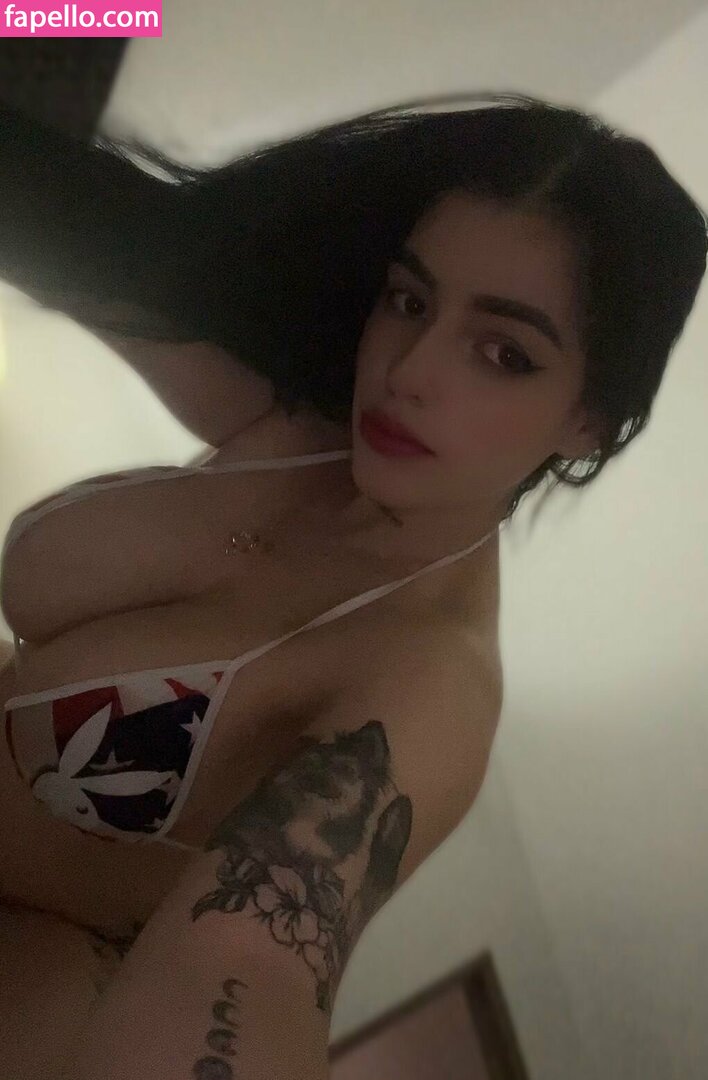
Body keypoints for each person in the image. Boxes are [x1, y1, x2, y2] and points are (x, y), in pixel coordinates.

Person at [0, 91, 705, 1079]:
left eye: (504, 353)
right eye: (411, 301)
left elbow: (256, 962)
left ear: (587, 422)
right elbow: (78, 237)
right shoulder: (300, 425)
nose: (411, 370)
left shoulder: (431, 682)